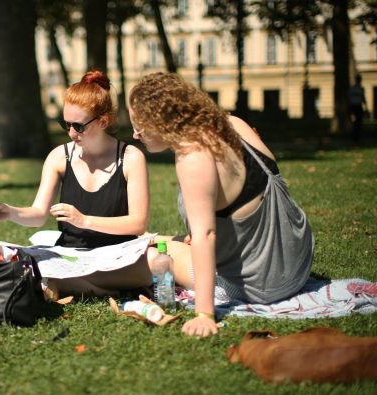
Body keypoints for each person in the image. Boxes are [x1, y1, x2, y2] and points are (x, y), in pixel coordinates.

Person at [129, 72, 314, 337]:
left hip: (265, 282)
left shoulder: (193, 157)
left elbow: (206, 234)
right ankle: (152, 239)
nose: (136, 134)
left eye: (140, 124)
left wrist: (204, 313)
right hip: (298, 259)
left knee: (149, 255)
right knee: (155, 239)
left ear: (160, 120)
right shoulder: (233, 124)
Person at [0, 70, 153, 296]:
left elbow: (138, 224)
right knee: (16, 260)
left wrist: (84, 221)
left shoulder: (131, 157)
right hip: (73, 256)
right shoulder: (59, 157)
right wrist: (9, 212)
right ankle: (94, 286)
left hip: (119, 254)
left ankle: (78, 286)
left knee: (155, 261)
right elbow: (38, 214)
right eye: (65, 124)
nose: (71, 133)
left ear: (103, 121)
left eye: (78, 126)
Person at [348, 74, 367, 143]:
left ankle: (357, 136)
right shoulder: (354, 89)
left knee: (358, 122)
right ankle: (355, 136)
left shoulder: (359, 88)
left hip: (357, 106)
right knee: (356, 122)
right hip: (354, 107)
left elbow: (363, 99)